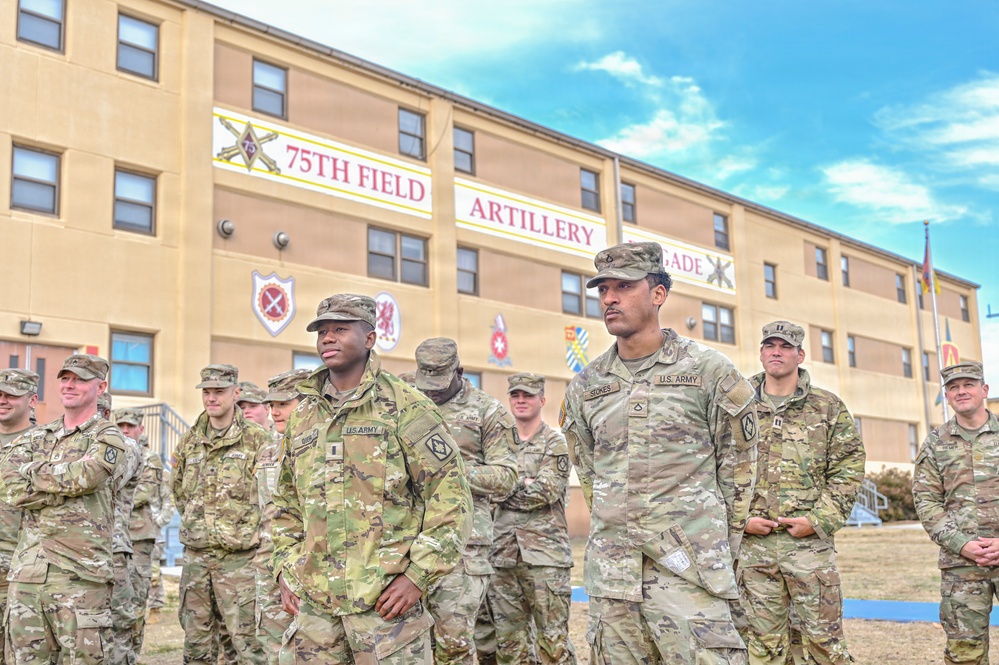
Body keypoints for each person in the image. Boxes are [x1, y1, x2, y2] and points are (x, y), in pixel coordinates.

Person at [560, 242, 758, 664]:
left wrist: (718, 546)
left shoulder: (708, 371)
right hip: (613, 578)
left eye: (625, 286)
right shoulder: (587, 385)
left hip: (689, 572)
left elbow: (739, 470)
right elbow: (591, 472)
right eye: (604, 289)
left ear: (658, 294)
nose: (610, 298)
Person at [271, 294, 473, 664]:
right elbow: (285, 501)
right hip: (316, 608)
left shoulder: (406, 407)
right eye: (322, 331)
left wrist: (418, 575)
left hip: (384, 609)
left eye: (341, 329)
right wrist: (285, 568)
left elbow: (450, 497)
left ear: (369, 338)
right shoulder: (303, 416)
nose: (328, 338)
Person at [736, 321, 865, 664]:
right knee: (763, 648)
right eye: (769, 345)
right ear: (761, 353)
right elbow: (715, 467)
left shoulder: (827, 407)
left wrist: (818, 520)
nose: (776, 352)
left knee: (825, 645)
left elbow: (848, 468)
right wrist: (740, 520)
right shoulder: (736, 405)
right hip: (754, 550)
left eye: (784, 346)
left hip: (809, 548)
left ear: (800, 355)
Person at [0, 354, 129, 664]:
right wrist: (63, 483)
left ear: (101, 387)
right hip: (28, 572)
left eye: (81, 379)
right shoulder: (36, 436)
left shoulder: (107, 436)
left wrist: (34, 471)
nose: (70, 385)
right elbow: (9, 487)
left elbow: (87, 477)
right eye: (66, 378)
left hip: (80, 573)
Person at [414, 337, 518, 665]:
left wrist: (452, 471)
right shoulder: (405, 398)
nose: (431, 392)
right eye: (425, 383)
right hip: (405, 543)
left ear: (459, 371)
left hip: (462, 547)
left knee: (452, 645)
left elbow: (507, 477)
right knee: (405, 646)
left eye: (439, 384)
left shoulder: (488, 411)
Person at [171, 365, 268, 665]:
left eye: (219, 391)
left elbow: (271, 499)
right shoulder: (190, 441)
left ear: (235, 393)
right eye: (207, 392)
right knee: (196, 645)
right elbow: (179, 491)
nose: (211, 398)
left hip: (240, 562)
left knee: (247, 646)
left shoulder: (257, 440)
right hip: (196, 560)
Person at [913, 361, 999, 665]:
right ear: (947, 396)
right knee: (965, 654)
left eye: (968, 384)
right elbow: (926, 500)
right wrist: (961, 543)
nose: (961, 391)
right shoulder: (936, 443)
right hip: (961, 565)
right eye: (953, 387)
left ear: (984, 390)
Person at [490, 372, 576, 665]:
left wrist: (503, 486)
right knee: (509, 645)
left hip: (546, 558)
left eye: (528, 395)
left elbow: (545, 491)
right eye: (515, 395)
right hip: (502, 556)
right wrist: (521, 483)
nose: (521, 400)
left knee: (553, 644)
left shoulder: (555, 443)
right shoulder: (497, 444)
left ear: (542, 400)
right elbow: (483, 487)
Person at [254, 368, 310, 664]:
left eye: (283, 404)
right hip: (269, 565)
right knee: (272, 648)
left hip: (307, 568)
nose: (274, 412)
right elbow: (259, 509)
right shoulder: (268, 451)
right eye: (271, 405)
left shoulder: (321, 448)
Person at [116, 407, 166, 660]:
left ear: (141, 429)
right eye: (121, 426)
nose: (125, 430)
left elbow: (143, 493)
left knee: (135, 601)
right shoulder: (110, 455)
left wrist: (109, 497)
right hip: (111, 539)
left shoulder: (150, 458)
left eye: (130, 426)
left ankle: (131, 655)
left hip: (138, 538)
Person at [100, 393, 144, 665]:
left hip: (112, 547)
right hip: (66, 550)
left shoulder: (124, 446)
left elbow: (94, 478)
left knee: (118, 623)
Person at [0, 369, 40, 664]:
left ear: (32, 399)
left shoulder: (46, 443)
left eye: (11, 394)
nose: (3, 400)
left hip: (19, 564)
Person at [147, 456, 175, 625]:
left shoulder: (157, 471)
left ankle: (154, 608)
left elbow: (169, 500)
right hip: (125, 529)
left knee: (153, 571)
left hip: (152, 530)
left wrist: (158, 521)